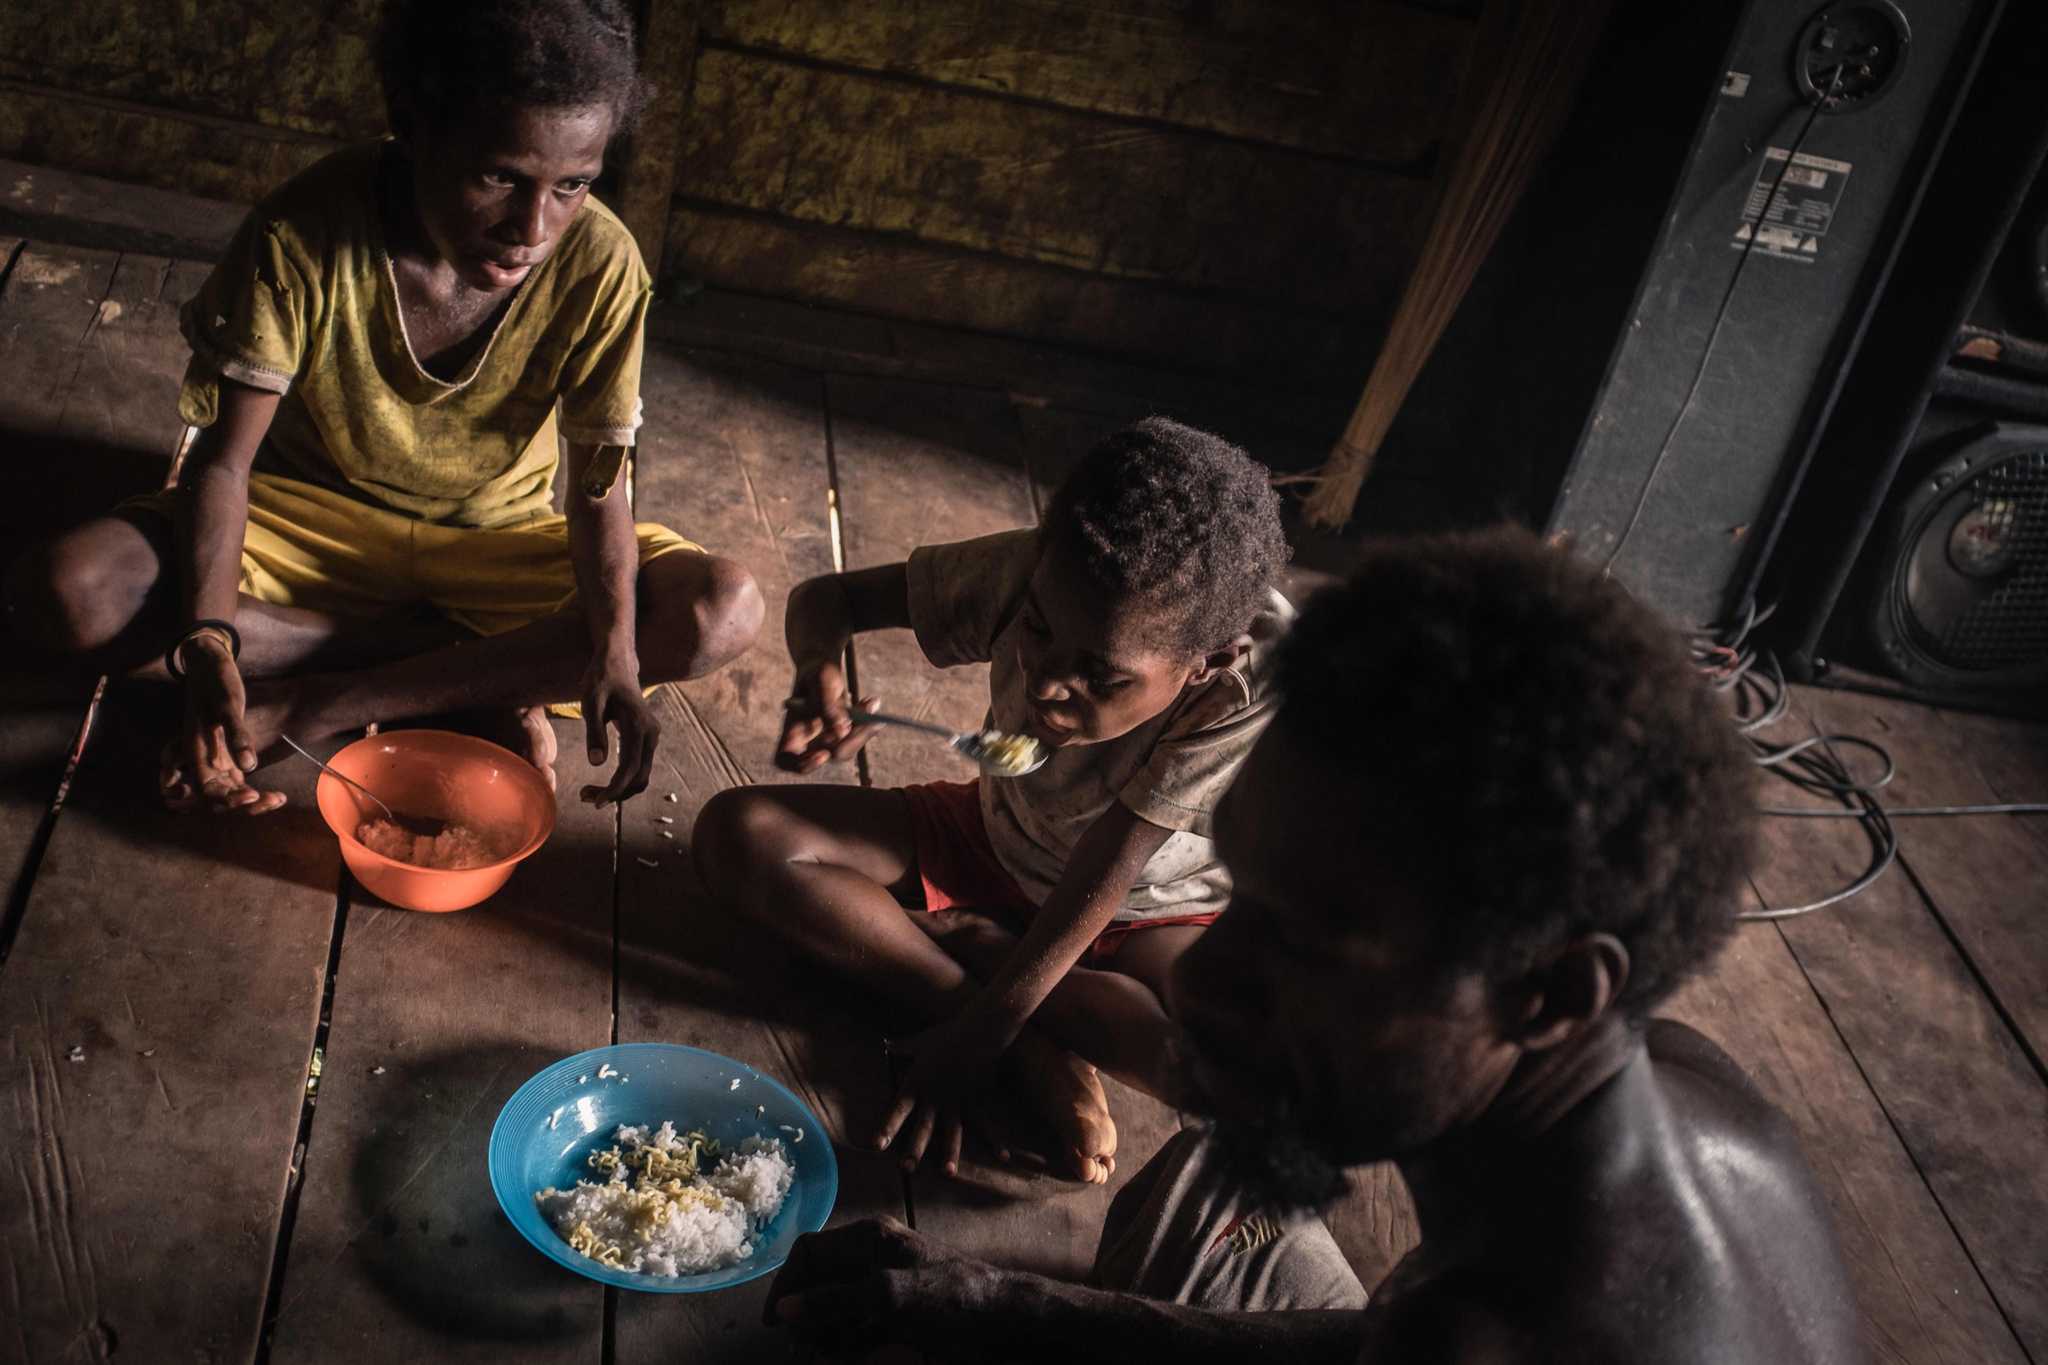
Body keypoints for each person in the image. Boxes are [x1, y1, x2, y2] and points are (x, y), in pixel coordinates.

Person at [759, 528, 1869, 1365]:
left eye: (1310, 943)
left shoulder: (1486, 1340)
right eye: (1244, 896)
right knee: (1206, 1172)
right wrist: (988, 1301)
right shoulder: (1681, 1081)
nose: (1198, 979)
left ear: (1547, 995)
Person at [1, 0, 762, 812]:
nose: (531, 227)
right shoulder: (302, 235)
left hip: (493, 541)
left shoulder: (601, 263)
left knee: (719, 611)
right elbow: (222, 464)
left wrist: (612, 649)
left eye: (572, 185)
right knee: (70, 591)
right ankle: (462, 664)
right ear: (412, 126)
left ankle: (321, 699)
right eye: (498, 175)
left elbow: (597, 488)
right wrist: (209, 639)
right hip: (304, 522)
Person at [693, 418, 1292, 1184]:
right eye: (1037, 632)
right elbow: (827, 600)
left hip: (1155, 906)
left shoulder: (1256, 676)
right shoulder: (1051, 568)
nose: (1045, 682)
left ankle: (981, 950)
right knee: (736, 835)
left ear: (1204, 666)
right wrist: (820, 669)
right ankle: (999, 1013)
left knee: (1233, 1073)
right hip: (997, 836)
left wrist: (986, 1029)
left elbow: (1117, 856)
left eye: (1100, 679)